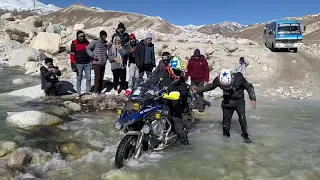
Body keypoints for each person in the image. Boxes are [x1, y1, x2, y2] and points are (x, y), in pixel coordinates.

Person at [193, 69, 256, 143]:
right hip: (227, 101)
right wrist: (198, 90)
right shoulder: (218, 80)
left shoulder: (239, 78)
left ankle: (245, 135)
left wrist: (253, 98)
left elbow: (249, 86)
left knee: (242, 118)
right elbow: (210, 86)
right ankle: (226, 137)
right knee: (226, 121)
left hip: (239, 101)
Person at [144, 52, 189, 145]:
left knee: (178, 127)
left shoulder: (180, 81)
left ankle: (185, 145)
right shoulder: (164, 73)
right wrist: (145, 86)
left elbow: (184, 91)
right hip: (161, 102)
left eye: (177, 71)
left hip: (173, 106)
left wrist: (178, 94)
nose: (176, 74)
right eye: (174, 71)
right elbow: (154, 78)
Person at [86, 30, 108, 97]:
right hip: (96, 63)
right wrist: (93, 56)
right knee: (97, 78)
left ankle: (99, 91)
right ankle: (96, 91)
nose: (104, 37)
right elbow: (88, 48)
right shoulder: (95, 42)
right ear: (100, 35)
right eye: (103, 36)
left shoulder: (105, 43)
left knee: (101, 78)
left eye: (105, 36)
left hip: (103, 63)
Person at [70, 30, 91, 98]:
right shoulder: (74, 43)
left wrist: (92, 61)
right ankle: (78, 92)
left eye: (82, 36)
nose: (81, 38)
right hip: (78, 64)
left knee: (89, 78)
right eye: (80, 36)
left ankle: (88, 91)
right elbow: (72, 55)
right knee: (79, 78)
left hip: (87, 63)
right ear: (77, 37)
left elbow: (90, 53)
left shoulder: (87, 43)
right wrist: (72, 65)